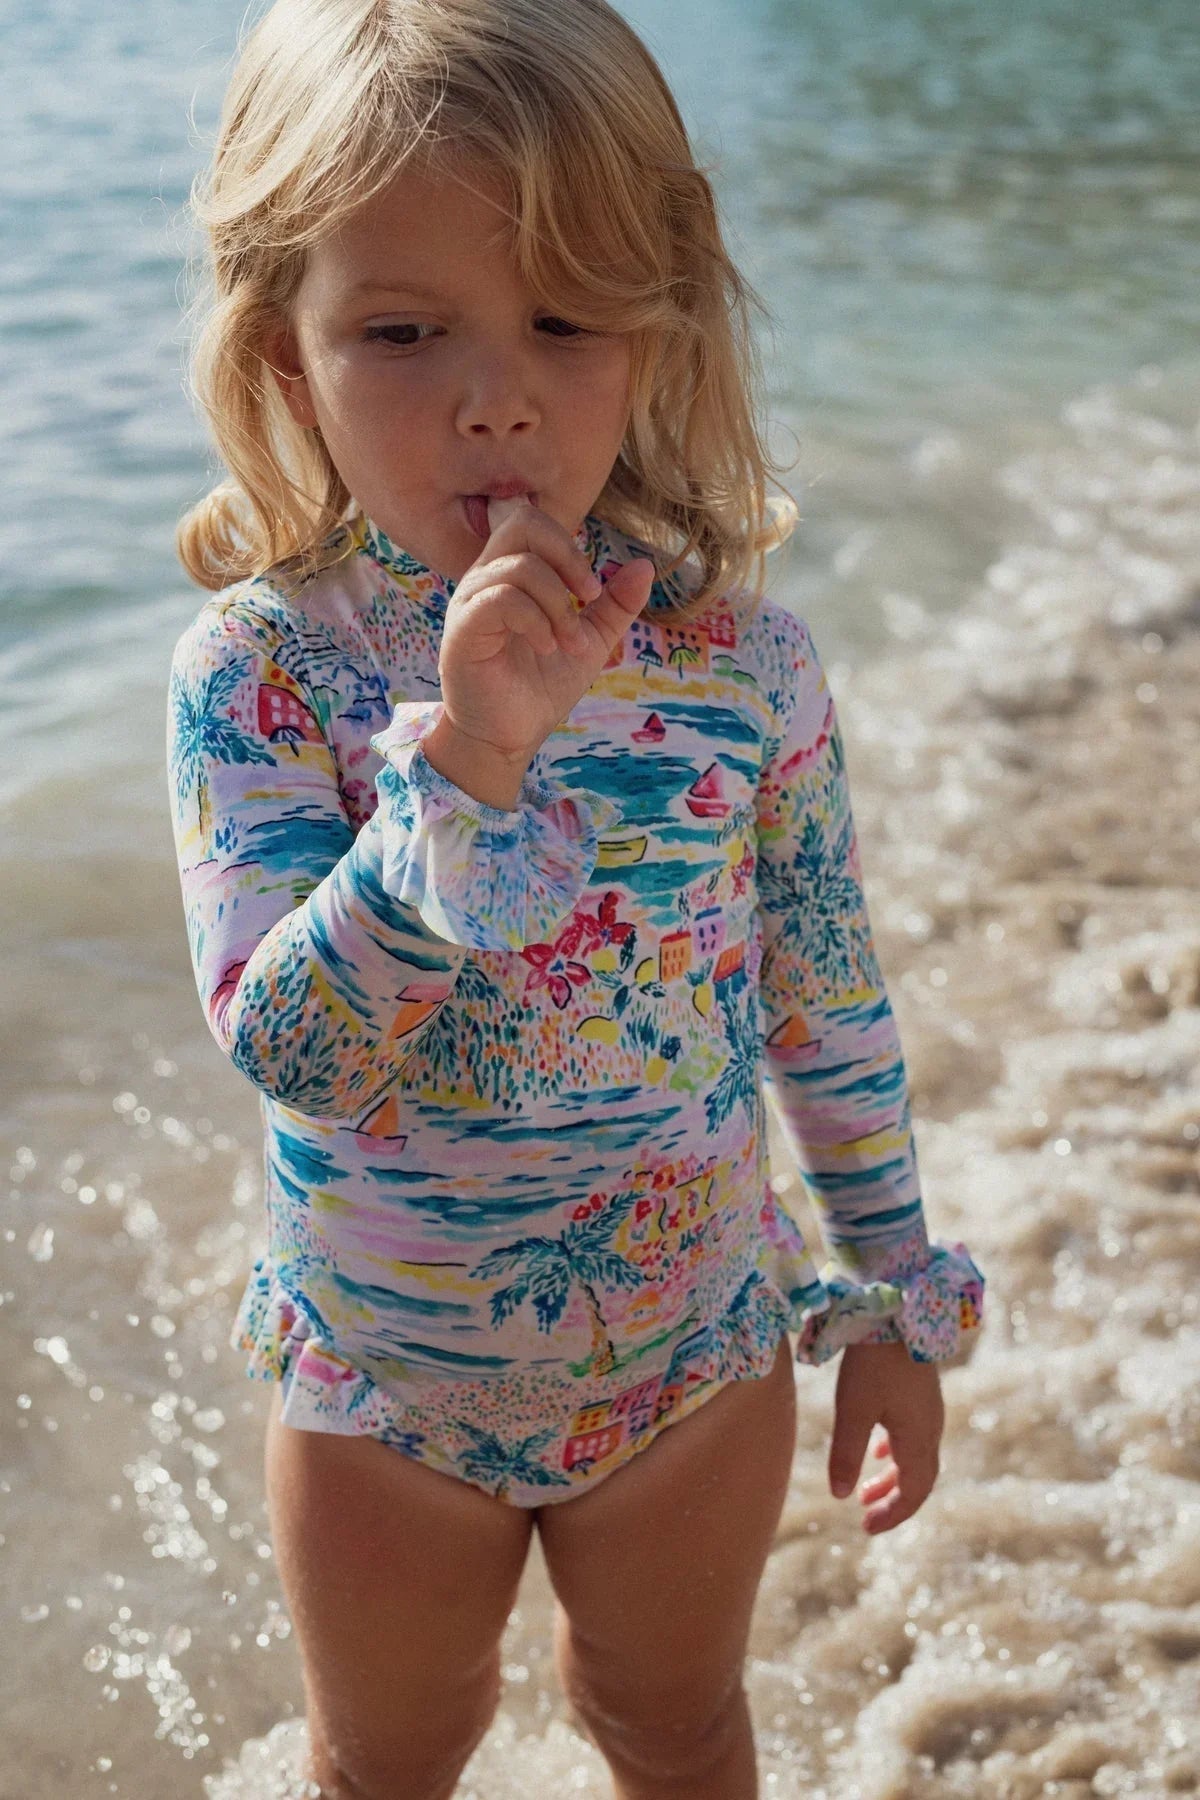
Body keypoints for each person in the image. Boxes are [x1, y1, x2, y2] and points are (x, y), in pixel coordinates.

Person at [166, 1, 985, 1794]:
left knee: (675, 1728)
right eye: (401, 330)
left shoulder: (746, 669)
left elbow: (824, 999)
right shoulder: (260, 677)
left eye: (565, 318)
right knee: (386, 1756)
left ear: (655, 329)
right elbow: (294, 1046)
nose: (496, 397)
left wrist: (892, 1297)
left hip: (691, 1367)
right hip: (386, 1390)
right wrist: (460, 765)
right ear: (289, 355)